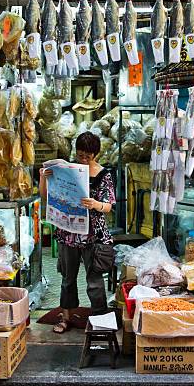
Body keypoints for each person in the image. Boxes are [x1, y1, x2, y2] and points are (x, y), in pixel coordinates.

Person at [39, 131, 116, 333]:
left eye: (87, 156)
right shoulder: (66, 170)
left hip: (94, 235)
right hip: (68, 233)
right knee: (67, 278)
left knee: (95, 280)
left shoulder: (103, 174)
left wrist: (96, 204)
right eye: (80, 154)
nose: (83, 159)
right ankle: (65, 317)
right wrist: (44, 179)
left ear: (95, 154)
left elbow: (109, 206)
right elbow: (47, 197)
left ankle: (100, 319)